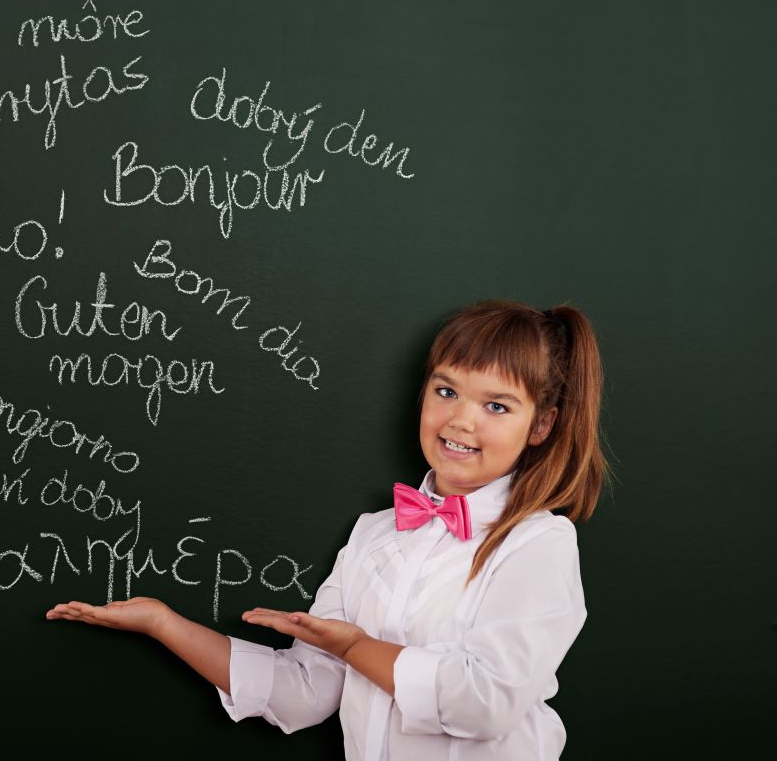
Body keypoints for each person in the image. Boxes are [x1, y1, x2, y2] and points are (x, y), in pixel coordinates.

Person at [46, 299, 606, 760]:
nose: (461, 419)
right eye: (446, 390)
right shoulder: (373, 535)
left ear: (543, 424)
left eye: (498, 406)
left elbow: (486, 704)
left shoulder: (538, 545)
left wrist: (358, 646)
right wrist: (162, 624)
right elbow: (306, 691)